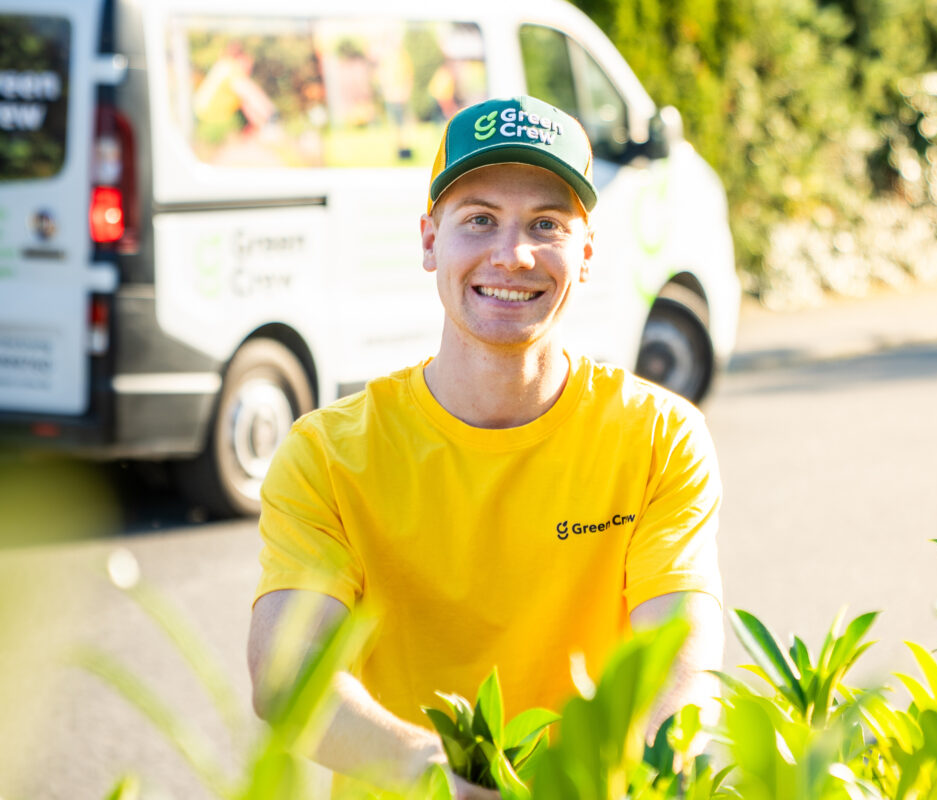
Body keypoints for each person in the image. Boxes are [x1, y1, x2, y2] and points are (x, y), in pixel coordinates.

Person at [247, 95, 724, 797]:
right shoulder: (327, 455)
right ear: (429, 240)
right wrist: (440, 774)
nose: (513, 254)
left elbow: (680, 662)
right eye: (478, 220)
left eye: (545, 223)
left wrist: (638, 779)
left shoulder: (658, 437)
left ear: (585, 253)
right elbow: (288, 675)